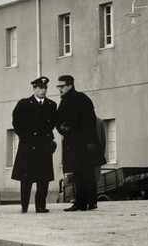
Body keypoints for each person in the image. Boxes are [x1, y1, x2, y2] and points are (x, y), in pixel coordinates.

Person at [56, 75, 106, 211]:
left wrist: (90, 143)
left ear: (70, 85)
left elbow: (90, 122)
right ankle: (81, 203)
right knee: (78, 174)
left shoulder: (82, 99)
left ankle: (90, 202)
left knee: (87, 174)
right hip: (74, 143)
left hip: (84, 144)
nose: (59, 89)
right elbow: (58, 120)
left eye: (62, 86)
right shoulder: (65, 101)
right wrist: (61, 128)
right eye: (58, 86)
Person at [11, 76, 57, 213]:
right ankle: (24, 205)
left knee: (44, 178)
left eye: (45, 88)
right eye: (40, 88)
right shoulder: (24, 104)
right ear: (34, 89)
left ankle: (40, 205)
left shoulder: (51, 105)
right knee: (26, 178)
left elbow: (52, 123)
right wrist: (25, 136)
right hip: (28, 146)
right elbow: (16, 123)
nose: (43, 91)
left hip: (44, 145)